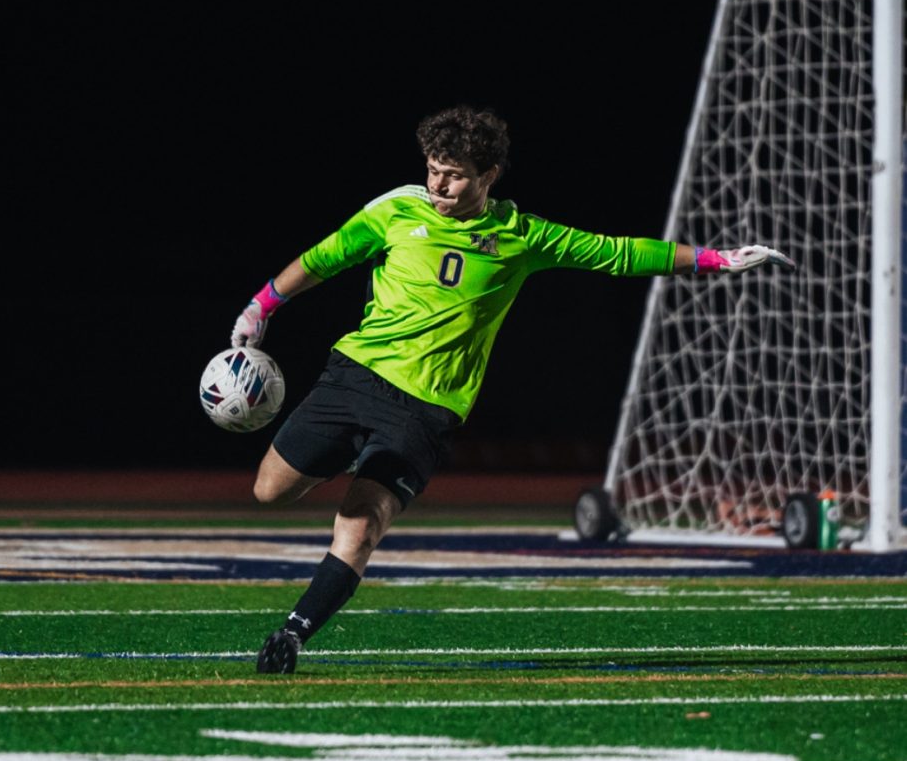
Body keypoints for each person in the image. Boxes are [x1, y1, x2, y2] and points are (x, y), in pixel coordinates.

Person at [230, 104, 795, 674]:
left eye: (453, 175)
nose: (439, 185)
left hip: (425, 410)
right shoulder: (395, 210)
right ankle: (351, 454)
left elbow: (617, 253)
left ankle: (294, 634)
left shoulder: (521, 236)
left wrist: (713, 259)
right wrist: (262, 306)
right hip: (354, 376)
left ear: (489, 176)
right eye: (432, 170)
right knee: (269, 492)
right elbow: (325, 257)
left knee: (363, 521)